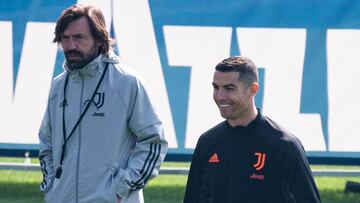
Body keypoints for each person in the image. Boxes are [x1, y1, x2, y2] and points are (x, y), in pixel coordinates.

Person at [38, 4, 167, 203]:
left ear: (99, 39)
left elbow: (154, 142)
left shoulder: (127, 82)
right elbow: (47, 143)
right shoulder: (58, 85)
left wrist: (119, 188)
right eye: (65, 38)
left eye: (79, 37)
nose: (71, 46)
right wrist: (52, 186)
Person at [184, 56, 321, 203]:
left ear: (252, 90)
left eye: (229, 88)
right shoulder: (208, 142)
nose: (220, 96)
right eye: (216, 87)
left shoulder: (284, 145)